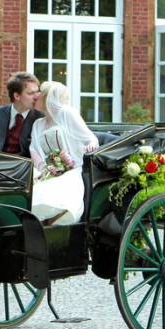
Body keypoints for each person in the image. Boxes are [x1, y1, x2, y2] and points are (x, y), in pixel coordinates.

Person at [29, 81, 99, 225]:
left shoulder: (67, 114)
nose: (36, 96)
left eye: (39, 93)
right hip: (47, 170)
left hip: (71, 170)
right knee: (33, 190)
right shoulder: (38, 124)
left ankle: (51, 229)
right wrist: (43, 167)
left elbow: (90, 137)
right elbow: (34, 149)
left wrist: (91, 145)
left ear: (48, 97)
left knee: (55, 195)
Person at [0, 72, 44, 157]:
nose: (36, 97)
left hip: (25, 168)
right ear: (17, 96)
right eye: (31, 93)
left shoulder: (40, 118)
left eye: (37, 92)